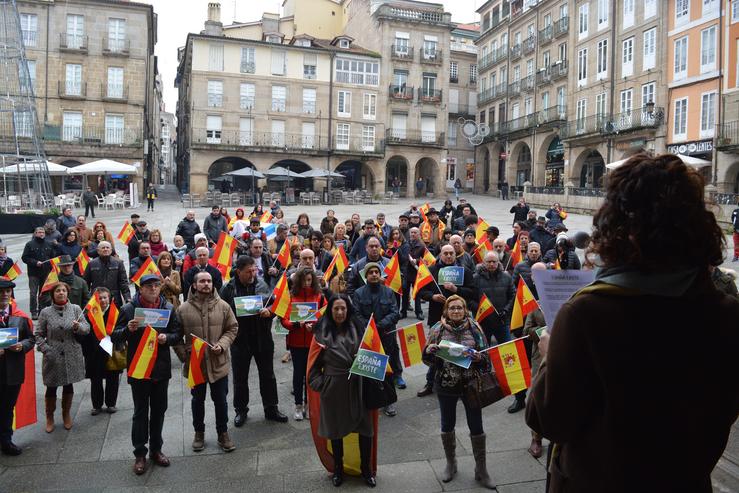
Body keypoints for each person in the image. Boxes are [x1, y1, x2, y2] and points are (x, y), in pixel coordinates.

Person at [526, 153, 739, 492]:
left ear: (617, 224)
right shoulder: (727, 313)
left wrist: (551, 355)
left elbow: (549, 419)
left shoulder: (586, 314)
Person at [422, 295, 495, 489]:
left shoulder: (475, 328)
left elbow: (488, 357)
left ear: (465, 310)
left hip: (471, 385)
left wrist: (480, 357)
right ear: (446, 311)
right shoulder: (437, 329)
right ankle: (451, 463)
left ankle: (481, 469)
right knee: (447, 424)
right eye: (452, 308)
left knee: (476, 426)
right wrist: (429, 351)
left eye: (459, 308)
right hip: (446, 385)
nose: (456, 311)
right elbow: (428, 361)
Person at [111, 274, 181, 475]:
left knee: (159, 410)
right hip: (139, 369)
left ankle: (156, 450)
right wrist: (127, 330)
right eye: (148, 286)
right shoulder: (129, 309)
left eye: (156, 286)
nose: (153, 289)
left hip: (160, 369)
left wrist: (166, 338)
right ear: (140, 289)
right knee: (140, 412)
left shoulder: (167, 309)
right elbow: (114, 335)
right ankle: (140, 453)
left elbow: (178, 333)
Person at [308, 293, 377, 487]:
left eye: (343, 308)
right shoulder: (320, 334)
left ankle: (366, 470)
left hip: (358, 387)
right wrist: (323, 385)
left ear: (348, 310)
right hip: (334, 390)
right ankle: (338, 469)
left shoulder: (361, 329)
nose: (339, 312)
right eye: (336, 309)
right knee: (335, 432)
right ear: (330, 311)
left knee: (365, 430)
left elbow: (372, 353)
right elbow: (312, 368)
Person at [220, 256, 287, 427]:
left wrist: (269, 312)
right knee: (240, 378)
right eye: (248, 271)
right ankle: (241, 410)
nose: (252, 274)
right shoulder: (228, 288)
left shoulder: (262, 284)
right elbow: (221, 312)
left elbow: (275, 304)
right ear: (238, 271)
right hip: (240, 339)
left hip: (262, 337)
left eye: (254, 270)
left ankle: (271, 408)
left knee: (268, 375)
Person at [177, 271, 238, 453]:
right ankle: (199, 433)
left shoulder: (224, 306)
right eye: (202, 281)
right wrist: (184, 355)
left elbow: (232, 328)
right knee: (197, 400)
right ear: (194, 285)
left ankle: (223, 433)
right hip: (196, 366)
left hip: (218, 364)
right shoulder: (183, 309)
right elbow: (176, 336)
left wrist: (222, 344)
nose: (206, 284)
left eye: (209, 281)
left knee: (221, 401)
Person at [416, 245, 476, 397]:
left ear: (456, 255)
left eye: (451, 253)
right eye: (446, 253)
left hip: (459, 318)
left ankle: (463, 384)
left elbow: (473, 292)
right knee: (435, 350)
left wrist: (457, 290)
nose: (449, 256)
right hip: (437, 317)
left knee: (459, 351)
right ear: (440, 254)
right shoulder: (432, 270)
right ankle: (430, 383)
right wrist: (432, 297)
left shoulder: (465, 272)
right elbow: (421, 292)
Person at [35, 282, 90, 432]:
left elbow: (87, 329)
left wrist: (78, 327)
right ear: (53, 294)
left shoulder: (75, 309)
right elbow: (38, 334)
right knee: (51, 387)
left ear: (67, 293)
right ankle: (50, 417)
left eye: (64, 291)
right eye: (58, 291)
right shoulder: (46, 312)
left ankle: (66, 414)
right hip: (53, 356)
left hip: (72, 354)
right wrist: (46, 349)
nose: (61, 293)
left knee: (68, 384)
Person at [352, 263, 402, 416]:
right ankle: (371, 400)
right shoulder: (358, 293)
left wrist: (379, 326)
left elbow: (395, 313)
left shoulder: (388, 292)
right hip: (367, 338)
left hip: (386, 337)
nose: (374, 274)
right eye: (370, 272)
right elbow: (356, 314)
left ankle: (389, 402)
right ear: (365, 276)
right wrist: (369, 327)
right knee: (369, 369)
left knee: (387, 370)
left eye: (376, 272)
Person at [282, 267, 325, 420]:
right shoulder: (291, 297)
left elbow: (325, 317)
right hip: (296, 343)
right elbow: (284, 320)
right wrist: (297, 325)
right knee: (298, 374)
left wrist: (315, 326)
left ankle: (310, 404)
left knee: (312, 374)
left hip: (314, 342)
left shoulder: (319, 297)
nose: (306, 283)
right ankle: (298, 405)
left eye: (309, 280)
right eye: (303, 280)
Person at [0, 279, 34, 456]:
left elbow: (31, 339)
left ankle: (6, 441)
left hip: (13, 371)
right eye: (2, 292)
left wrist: (22, 345)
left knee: (7, 407)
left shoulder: (20, 316)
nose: (5, 295)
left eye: (7, 292)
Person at [81, 287, 122, 415]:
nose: (103, 300)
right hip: (94, 351)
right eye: (100, 298)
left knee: (113, 379)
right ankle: (97, 405)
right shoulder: (90, 313)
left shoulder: (117, 312)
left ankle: (111, 404)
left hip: (111, 350)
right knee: (96, 379)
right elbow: (86, 333)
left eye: (105, 297)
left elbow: (121, 329)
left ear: (109, 298)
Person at [520, 262, 547, 458]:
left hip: (561, 353)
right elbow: (526, 331)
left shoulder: (563, 299)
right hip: (540, 356)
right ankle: (536, 438)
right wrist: (543, 332)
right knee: (537, 396)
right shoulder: (534, 305)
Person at [473, 251, 515, 345]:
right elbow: (470, 299)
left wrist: (506, 310)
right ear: (484, 262)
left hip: (502, 321)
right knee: (484, 350)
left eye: (494, 261)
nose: (491, 264)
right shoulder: (475, 278)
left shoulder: (507, 276)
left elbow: (512, 295)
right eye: (489, 262)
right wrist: (480, 309)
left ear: (498, 262)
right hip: (483, 321)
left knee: (507, 349)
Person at [83, 241, 131, 308]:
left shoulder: (118, 263)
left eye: (107, 247)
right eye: (103, 248)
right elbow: (86, 282)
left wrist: (127, 298)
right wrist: (87, 299)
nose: (105, 249)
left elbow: (123, 282)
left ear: (111, 250)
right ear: (98, 251)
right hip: (97, 298)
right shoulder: (91, 264)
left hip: (114, 299)